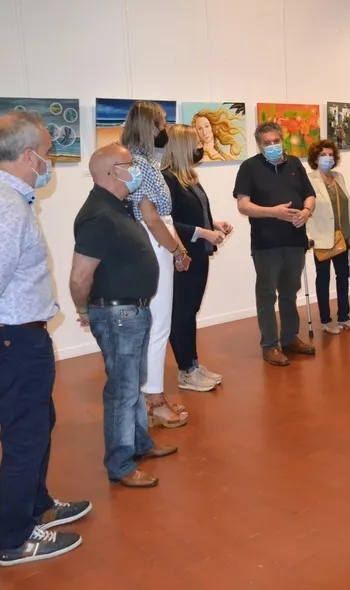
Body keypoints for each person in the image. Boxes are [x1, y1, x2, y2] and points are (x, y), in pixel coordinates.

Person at [0, 112, 88, 566]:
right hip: (15, 340)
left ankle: (37, 507)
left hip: (24, 338)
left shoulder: (15, 200)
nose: (50, 162)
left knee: (38, 425)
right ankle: (12, 539)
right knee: (24, 436)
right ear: (28, 156)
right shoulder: (8, 208)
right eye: (49, 153)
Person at [70, 143, 179, 489]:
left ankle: (140, 443)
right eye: (129, 164)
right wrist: (84, 309)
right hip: (117, 315)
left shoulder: (121, 205)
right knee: (122, 390)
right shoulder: (98, 215)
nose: (136, 169)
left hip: (134, 311)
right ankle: (120, 464)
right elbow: (79, 277)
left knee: (135, 383)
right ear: (111, 172)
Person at [121, 101, 190, 429]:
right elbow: (152, 217)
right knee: (158, 325)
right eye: (161, 123)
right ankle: (156, 401)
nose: (165, 130)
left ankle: (149, 397)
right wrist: (177, 250)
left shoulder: (140, 160)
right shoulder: (140, 163)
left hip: (152, 241)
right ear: (149, 126)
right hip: (154, 243)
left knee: (151, 325)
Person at [234, 122, 317, 366]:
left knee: (290, 292)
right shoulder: (249, 167)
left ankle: (290, 338)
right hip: (266, 243)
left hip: (295, 240)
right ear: (259, 145)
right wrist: (273, 212)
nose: (272, 146)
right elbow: (243, 205)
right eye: (267, 143)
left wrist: (306, 211)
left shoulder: (295, 164)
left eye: (276, 141)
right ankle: (270, 345)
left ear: (282, 140)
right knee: (267, 294)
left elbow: (309, 194)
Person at [162, 124, 231, 390]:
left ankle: (192, 364)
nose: (200, 147)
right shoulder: (168, 180)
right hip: (183, 258)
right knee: (181, 313)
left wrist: (214, 224)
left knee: (190, 311)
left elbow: (194, 213)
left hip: (198, 255)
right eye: (196, 143)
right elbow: (166, 223)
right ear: (183, 146)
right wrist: (203, 232)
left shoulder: (188, 177)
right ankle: (186, 371)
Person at [305, 139, 350, 334]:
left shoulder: (339, 177)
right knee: (323, 278)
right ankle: (326, 320)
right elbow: (305, 209)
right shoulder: (308, 180)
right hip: (321, 237)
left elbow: (346, 206)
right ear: (315, 158)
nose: (327, 158)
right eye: (323, 155)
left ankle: (344, 317)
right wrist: (307, 235)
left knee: (343, 276)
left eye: (330, 155)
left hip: (342, 235)